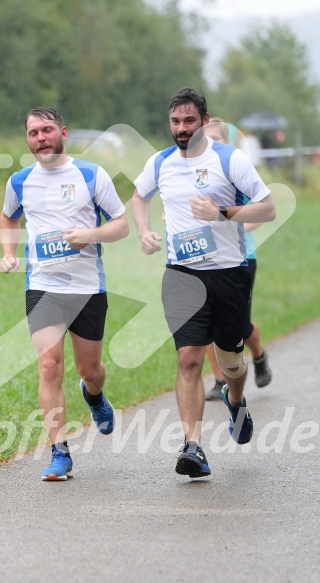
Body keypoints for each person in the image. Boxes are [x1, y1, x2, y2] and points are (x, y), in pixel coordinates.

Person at [132, 87, 276, 479]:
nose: (181, 128)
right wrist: (144, 230)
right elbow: (139, 196)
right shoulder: (160, 162)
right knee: (189, 358)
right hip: (182, 273)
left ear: (204, 119)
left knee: (231, 362)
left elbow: (268, 205)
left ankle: (237, 400)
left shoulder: (229, 158)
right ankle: (192, 445)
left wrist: (222, 212)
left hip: (230, 273)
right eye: (175, 121)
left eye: (189, 121)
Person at [0, 107, 129, 481]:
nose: (40, 138)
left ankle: (93, 395)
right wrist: (9, 253)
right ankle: (60, 452)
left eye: (47, 130)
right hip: (43, 287)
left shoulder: (91, 174)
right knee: (49, 366)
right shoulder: (20, 181)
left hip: (88, 288)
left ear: (63, 132)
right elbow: (9, 216)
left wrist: (89, 235)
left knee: (90, 369)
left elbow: (121, 225)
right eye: (33, 132)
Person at [203, 118, 272, 400]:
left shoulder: (237, 169)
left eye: (216, 138)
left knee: (239, 327)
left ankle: (258, 354)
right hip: (204, 258)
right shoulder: (194, 172)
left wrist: (233, 226)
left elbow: (259, 212)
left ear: (227, 142)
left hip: (241, 257)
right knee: (207, 323)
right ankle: (219, 380)